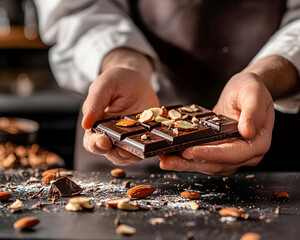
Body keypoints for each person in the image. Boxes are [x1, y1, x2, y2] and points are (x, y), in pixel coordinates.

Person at [34, 0, 300, 174]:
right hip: (122, 168)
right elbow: (78, 9)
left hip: (272, 151)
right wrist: (125, 63)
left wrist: (263, 77)